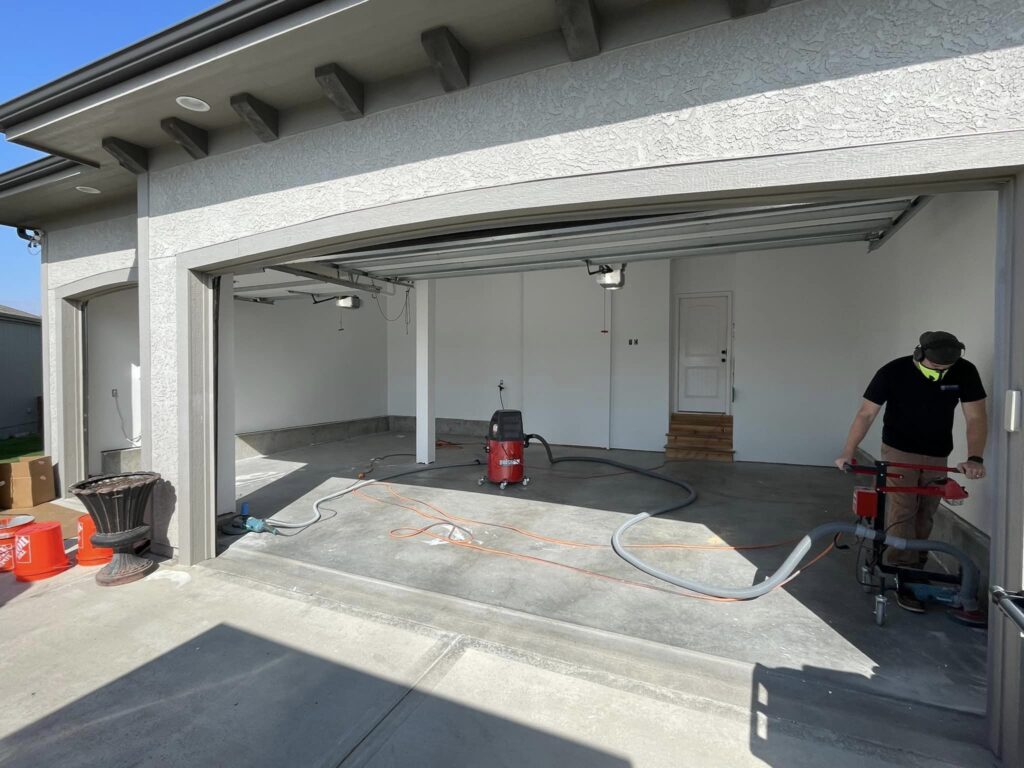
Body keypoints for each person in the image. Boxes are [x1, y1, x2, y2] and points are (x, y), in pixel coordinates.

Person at [835, 331, 988, 613]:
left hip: (938, 452)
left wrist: (974, 458)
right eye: (936, 368)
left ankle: (915, 566)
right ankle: (901, 573)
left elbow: (976, 416)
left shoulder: (965, 372)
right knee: (903, 509)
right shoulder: (893, 371)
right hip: (899, 449)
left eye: (946, 369)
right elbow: (866, 413)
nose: (942, 373)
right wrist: (848, 451)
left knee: (927, 511)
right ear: (920, 355)